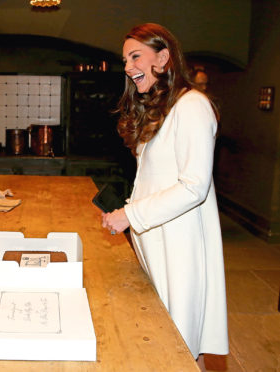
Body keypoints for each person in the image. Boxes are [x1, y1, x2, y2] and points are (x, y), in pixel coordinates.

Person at [101, 23, 229, 365]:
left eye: (135, 56)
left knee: (178, 347)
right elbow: (154, 182)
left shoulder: (192, 105)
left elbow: (194, 186)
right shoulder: (161, 109)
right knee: (164, 339)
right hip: (155, 239)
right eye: (125, 59)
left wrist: (132, 215)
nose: (128, 67)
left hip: (180, 245)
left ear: (164, 56)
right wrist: (127, 212)